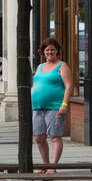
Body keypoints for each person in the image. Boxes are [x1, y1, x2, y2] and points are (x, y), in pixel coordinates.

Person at [31, 36, 72, 171]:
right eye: (47, 50)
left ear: (57, 51)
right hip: (37, 107)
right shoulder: (40, 66)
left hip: (55, 107)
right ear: (43, 52)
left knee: (54, 136)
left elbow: (69, 86)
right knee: (38, 137)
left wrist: (64, 104)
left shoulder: (62, 66)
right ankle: (45, 164)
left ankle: (52, 167)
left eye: (53, 50)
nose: (50, 52)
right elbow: (36, 84)